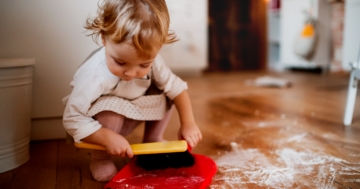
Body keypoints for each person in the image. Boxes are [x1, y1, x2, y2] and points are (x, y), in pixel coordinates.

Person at [62, 0, 202, 182]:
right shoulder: (94, 74)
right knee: (109, 114)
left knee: (166, 95)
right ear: (104, 38)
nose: (130, 73)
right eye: (120, 62)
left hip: (135, 108)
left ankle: (153, 139)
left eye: (144, 65)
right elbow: (72, 118)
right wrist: (106, 137)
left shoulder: (155, 61)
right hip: (105, 120)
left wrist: (188, 123)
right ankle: (100, 158)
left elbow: (177, 88)